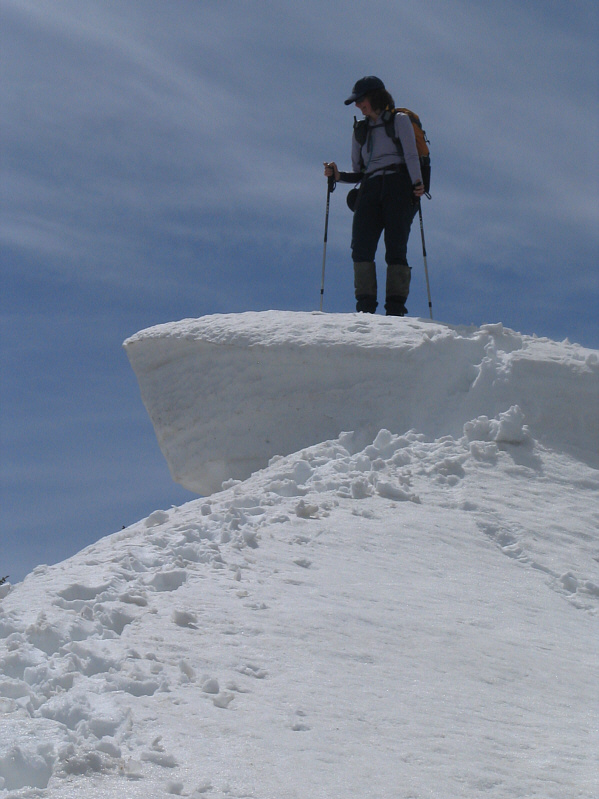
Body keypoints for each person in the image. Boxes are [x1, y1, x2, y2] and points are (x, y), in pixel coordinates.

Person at [324, 76, 425, 316]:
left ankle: (395, 310)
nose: (359, 105)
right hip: (370, 187)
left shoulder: (399, 120)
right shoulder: (360, 130)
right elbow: (359, 172)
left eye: (360, 100)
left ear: (374, 96)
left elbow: (411, 155)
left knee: (396, 247)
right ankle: (366, 308)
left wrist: (417, 182)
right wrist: (337, 176)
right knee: (361, 246)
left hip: (398, 185)